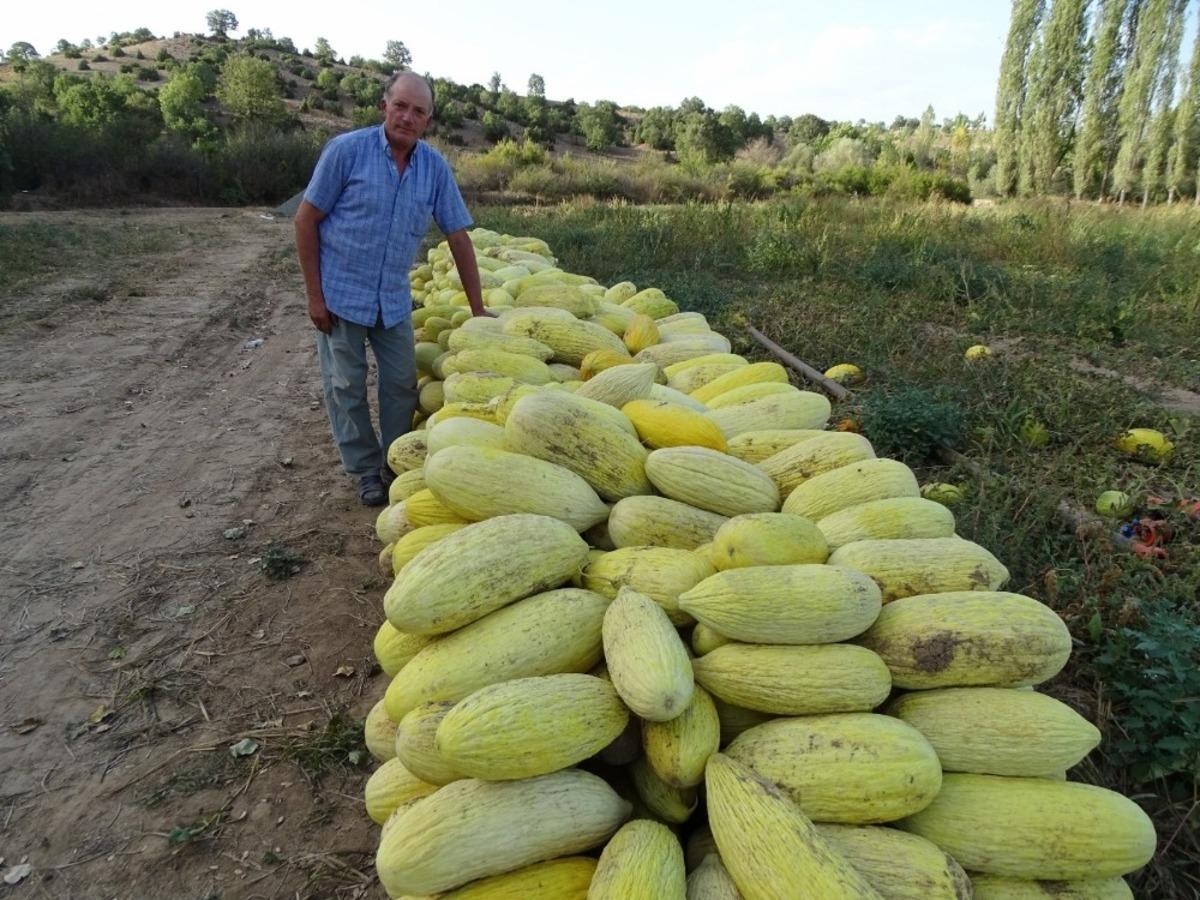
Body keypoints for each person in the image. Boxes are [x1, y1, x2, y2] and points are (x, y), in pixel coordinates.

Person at [294, 71, 488, 507]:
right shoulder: (346, 151)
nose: (407, 117)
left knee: (401, 385)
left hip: (393, 301)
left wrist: (478, 308)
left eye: (418, 111)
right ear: (384, 106)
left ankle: (393, 461)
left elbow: (457, 235)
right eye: (400, 106)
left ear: (428, 120)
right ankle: (364, 469)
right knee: (345, 386)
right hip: (342, 295)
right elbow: (305, 220)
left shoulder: (434, 168)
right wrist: (314, 296)